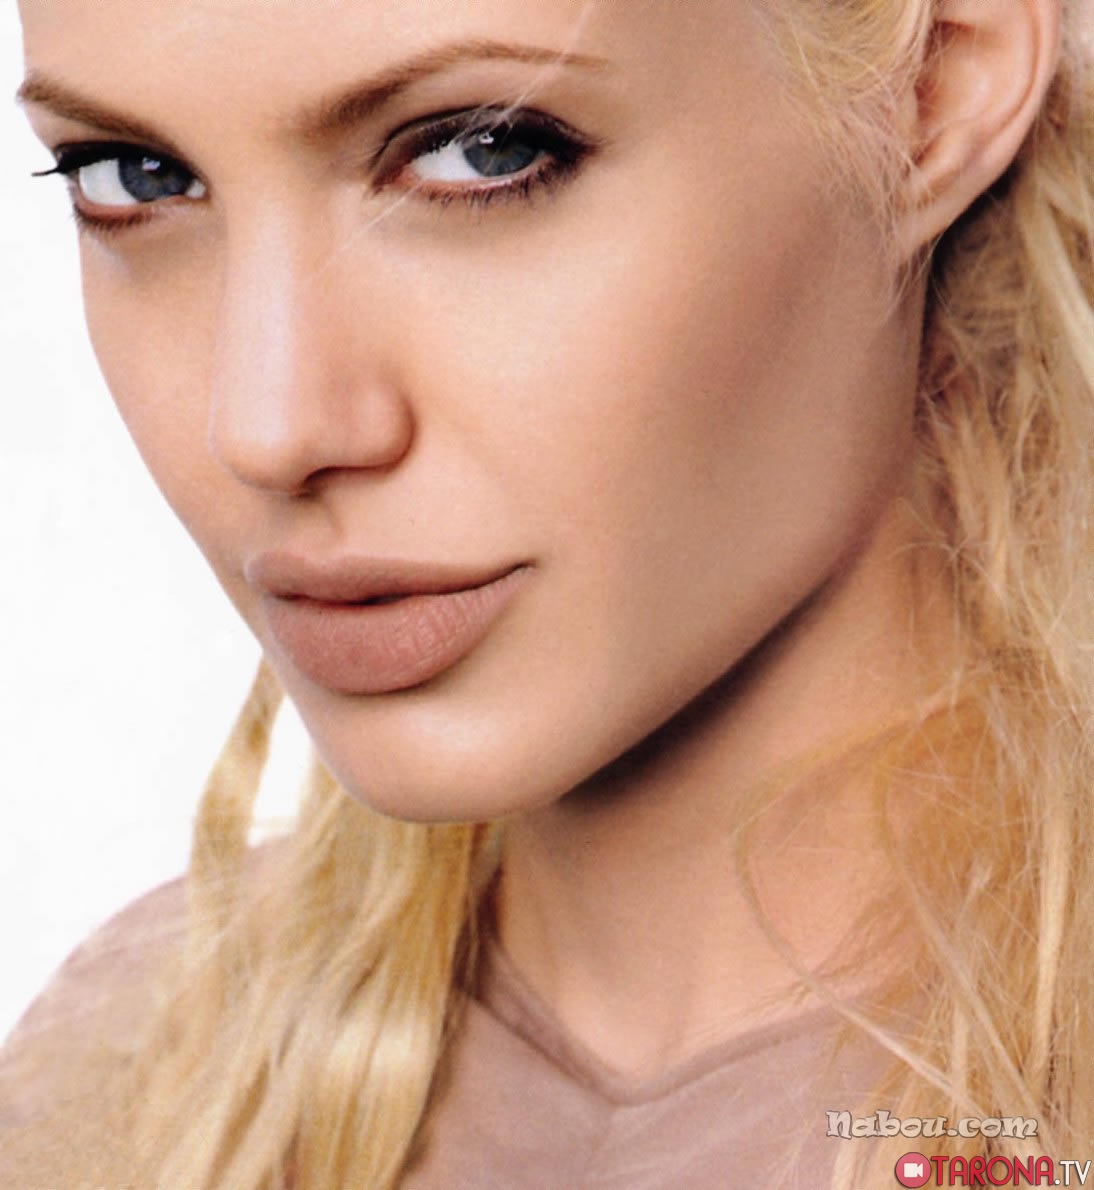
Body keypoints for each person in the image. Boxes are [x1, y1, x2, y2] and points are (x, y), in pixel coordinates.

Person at [3, 0, 1093, 1186]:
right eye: (134, 176)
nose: (266, 429)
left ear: (934, 88)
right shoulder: (128, 1085)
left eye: (482, 151)